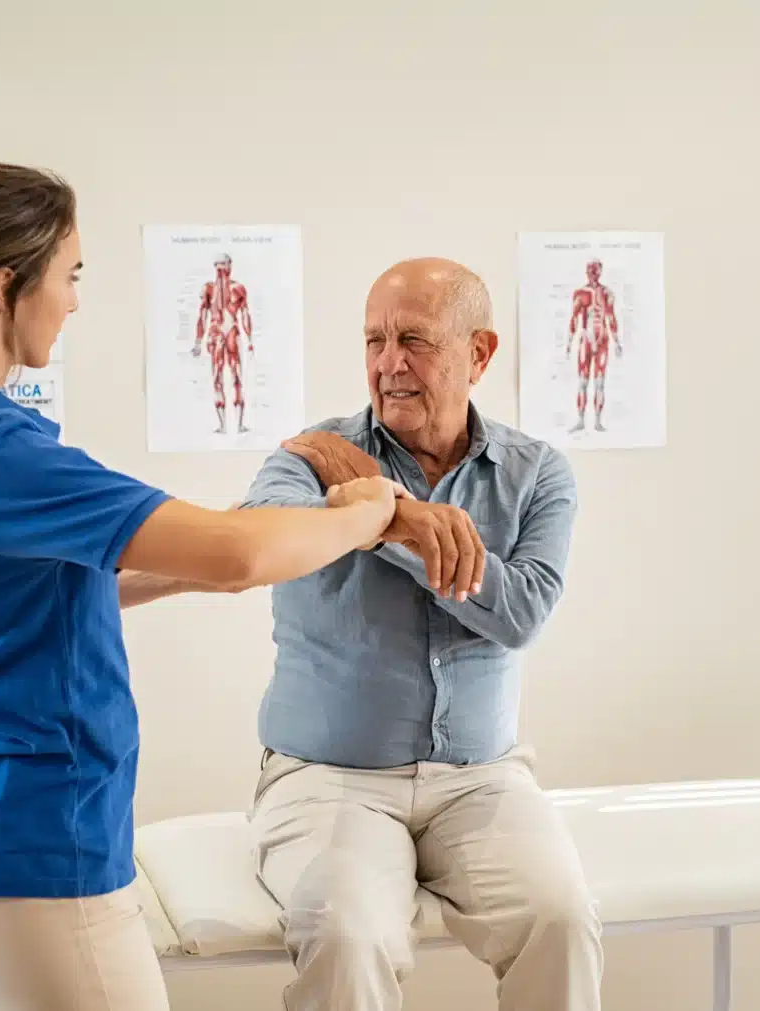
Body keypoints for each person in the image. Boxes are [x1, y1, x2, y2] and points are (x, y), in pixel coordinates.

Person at [0, 164, 459, 1011]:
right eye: (70, 275)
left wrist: (213, 552)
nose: (75, 302)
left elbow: (25, 595)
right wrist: (368, 509)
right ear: (8, 286)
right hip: (36, 856)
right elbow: (235, 556)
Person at [240, 257, 602, 1011]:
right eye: (374, 340)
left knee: (561, 919)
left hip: (482, 777)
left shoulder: (538, 474)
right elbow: (272, 535)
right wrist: (406, 514)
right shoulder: (310, 457)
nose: (389, 363)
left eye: (414, 339)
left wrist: (378, 517)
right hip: (327, 778)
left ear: (480, 352)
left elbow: (523, 609)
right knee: (348, 935)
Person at [192, 252, 253, 434]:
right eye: (217, 265)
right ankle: (223, 424)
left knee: (236, 376)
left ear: (229, 266)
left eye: (223, 265)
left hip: (232, 333)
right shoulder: (209, 289)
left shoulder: (238, 288)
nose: (220, 270)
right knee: (217, 377)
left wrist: (249, 339)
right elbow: (202, 316)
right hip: (216, 334)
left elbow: (245, 315)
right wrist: (198, 341)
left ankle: (239, 423)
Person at [566, 258, 620, 433]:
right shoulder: (581, 293)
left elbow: (611, 317)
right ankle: (581, 420)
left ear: (600, 272)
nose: (593, 274)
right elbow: (574, 318)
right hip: (586, 340)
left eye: (595, 270)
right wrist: (569, 341)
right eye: (590, 270)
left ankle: (597, 421)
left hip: (603, 340)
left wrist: (617, 341)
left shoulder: (607, 293)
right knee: (582, 381)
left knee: (599, 383)